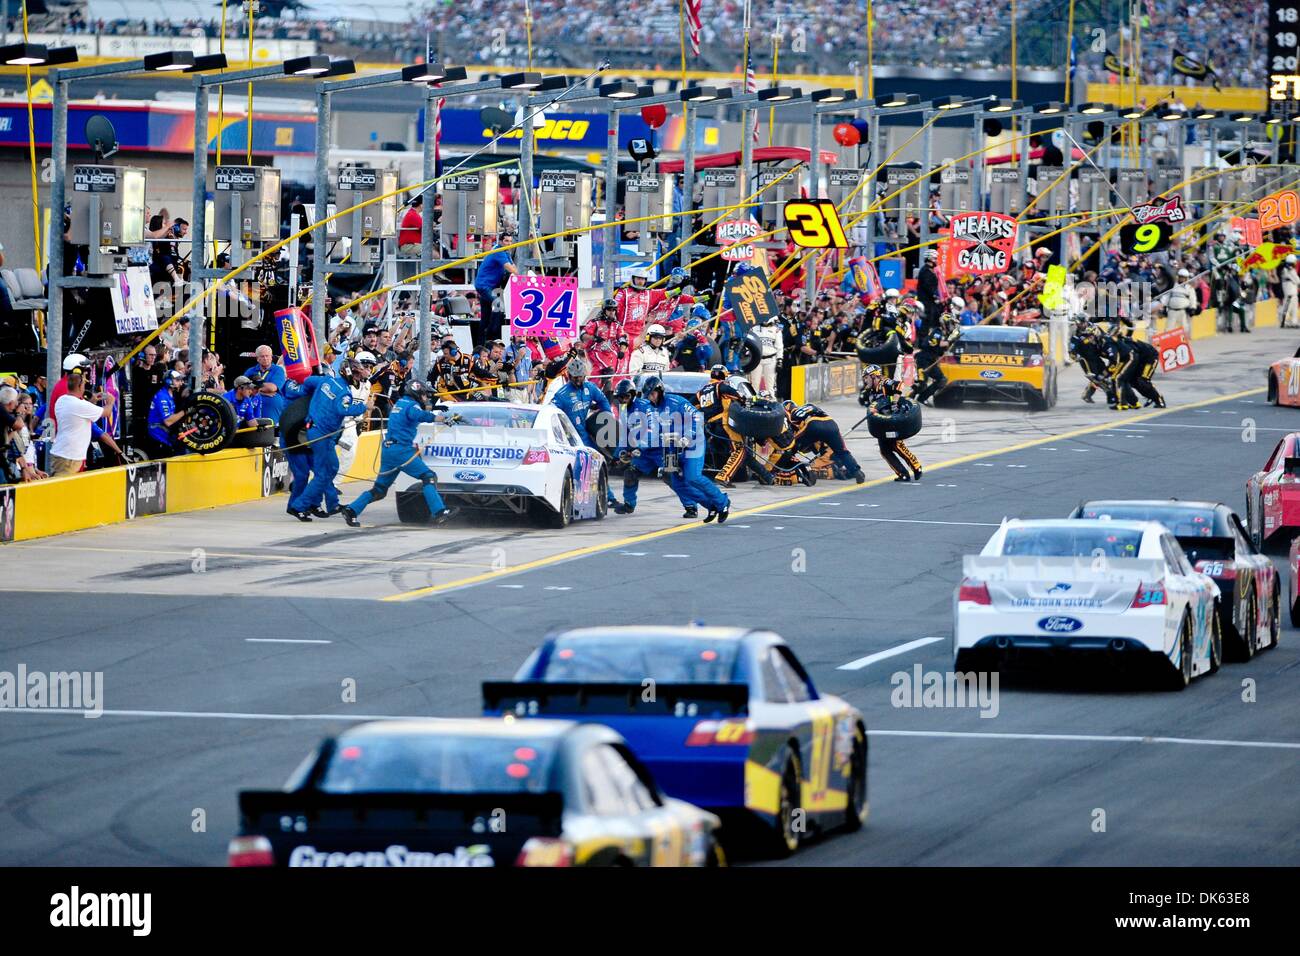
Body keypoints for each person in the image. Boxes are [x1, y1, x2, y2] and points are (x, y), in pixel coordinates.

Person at [342, 379, 453, 527]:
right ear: (417, 393)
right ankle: (440, 512)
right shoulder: (412, 405)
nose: (426, 398)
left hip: (388, 450)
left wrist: (433, 408)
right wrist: (443, 419)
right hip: (402, 450)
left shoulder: (400, 403)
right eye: (425, 395)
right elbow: (420, 416)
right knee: (428, 476)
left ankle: (351, 510)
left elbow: (416, 413)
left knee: (379, 490)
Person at [630, 375, 731, 522]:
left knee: (693, 477)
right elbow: (652, 432)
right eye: (648, 395)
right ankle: (711, 506)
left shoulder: (676, 401)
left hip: (692, 444)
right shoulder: (650, 410)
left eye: (653, 394)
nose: (651, 398)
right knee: (677, 483)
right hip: (671, 448)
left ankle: (722, 502)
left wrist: (687, 437)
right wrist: (640, 448)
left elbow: (697, 417)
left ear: (660, 390)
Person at [287, 356, 374, 521]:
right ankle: (299, 506)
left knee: (332, 468)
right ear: (348, 373)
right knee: (323, 473)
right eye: (355, 375)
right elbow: (344, 409)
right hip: (322, 435)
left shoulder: (325, 380)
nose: (357, 378)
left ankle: (332, 503)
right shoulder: (344, 392)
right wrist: (364, 406)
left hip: (316, 431)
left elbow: (308, 381)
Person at [696, 363, 769, 488]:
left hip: (709, 427)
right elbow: (740, 396)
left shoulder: (701, 392)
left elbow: (693, 406)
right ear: (724, 375)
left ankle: (767, 476)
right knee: (740, 450)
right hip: (724, 424)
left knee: (742, 454)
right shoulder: (721, 386)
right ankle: (723, 476)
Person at [778, 400, 866, 483]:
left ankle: (779, 468)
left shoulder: (791, 414)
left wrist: (792, 447)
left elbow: (793, 434)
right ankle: (857, 472)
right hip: (831, 424)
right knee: (842, 451)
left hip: (813, 425)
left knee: (791, 446)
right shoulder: (810, 405)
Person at [862, 364, 922, 482]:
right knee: (884, 450)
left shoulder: (884, 383)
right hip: (882, 423)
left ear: (874, 376)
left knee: (897, 445)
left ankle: (916, 467)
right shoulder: (870, 392)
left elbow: (899, 385)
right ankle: (902, 474)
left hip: (894, 420)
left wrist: (895, 402)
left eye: (866, 377)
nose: (865, 380)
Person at [49, 371, 107, 476]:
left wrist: (91, 402)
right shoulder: (79, 404)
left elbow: (78, 412)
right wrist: (111, 401)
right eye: (84, 385)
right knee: (64, 490)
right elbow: (106, 412)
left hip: (64, 454)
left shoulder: (62, 400)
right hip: (69, 457)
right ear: (80, 386)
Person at [473, 234, 518, 346]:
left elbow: (514, 267)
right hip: (485, 286)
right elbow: (512, 269)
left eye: (510, 241)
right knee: (499, 305)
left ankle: (481, 344)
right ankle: (493, 336)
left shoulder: (505, 252)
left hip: (491, 286)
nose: (509, 243)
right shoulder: (499, 251)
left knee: (485, 317)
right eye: (506, 241)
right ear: (501, 241)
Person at [245, 345, 288, 424]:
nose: (265, 358)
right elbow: (243, 389)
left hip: (273, 410)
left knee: (273, 434)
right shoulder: (250, 371)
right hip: (252, 410)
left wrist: (253, 387)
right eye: (262, 356)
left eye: (267, 356)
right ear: (257, 358)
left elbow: (272, 388)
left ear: (271, 357)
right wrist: (261, 391)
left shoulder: (278, 370)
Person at [429, 335, 473, 401]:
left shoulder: (467, 359)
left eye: (451, 342)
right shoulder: (440, 360)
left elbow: (480, 374)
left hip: (465, 394)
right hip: (447, 395)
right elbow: (432, 377)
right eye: (446, 342)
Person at [749, 314, 783, 396]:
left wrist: (779, 360)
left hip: (771, 359)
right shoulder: (754, 328)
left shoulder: (776, 330)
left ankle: (772, 402)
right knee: (754, 383)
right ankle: (753, 403)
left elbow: (779, 346)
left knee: (770, 385)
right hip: (757, 359)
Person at [915, 247, 942, 332]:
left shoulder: (929, 270)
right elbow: (928, 287)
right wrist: (935, 296)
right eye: (935, 258)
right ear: (930, 259)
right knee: (926, 322)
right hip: (926, 302)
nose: (936, 260)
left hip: (929, 302)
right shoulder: (926, 271)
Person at [1280, 257, 1300, 329]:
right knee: (1287, 308)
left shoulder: (1290, 270)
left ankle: (1294, 322)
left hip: (1294, 293)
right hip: (1289, 293)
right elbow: (1297, 280)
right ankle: (1284, 322)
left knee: (1294, 309)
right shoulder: (1287, 270)